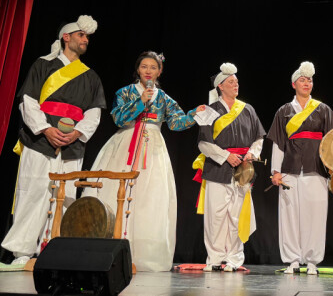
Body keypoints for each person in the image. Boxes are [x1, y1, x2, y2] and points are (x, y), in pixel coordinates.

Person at [83, 51, 199, 272]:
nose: (148, 71)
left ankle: (144, 254)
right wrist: (140, 101)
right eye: (144, 67)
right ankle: (110, 248)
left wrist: (195, 114)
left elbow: (176, 123)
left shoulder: (164, 97)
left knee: (149, 197)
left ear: (159, 71)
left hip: (153, 146)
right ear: (138, 70)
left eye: (153, 67)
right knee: (116, 192)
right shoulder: (125, 92)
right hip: (126, 142)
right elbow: (118, 118)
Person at [2, 15, 105, 265]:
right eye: (81, 35)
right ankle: (23, 251)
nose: (85, 40)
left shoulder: (90, 76)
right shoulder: (43, 65)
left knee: (66, 195)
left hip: (72, 143)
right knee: (34, 192)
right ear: (66, 37)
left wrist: (77, 133)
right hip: (40, 140)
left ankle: (54, 248)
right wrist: (46, 129)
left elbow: (94, 111)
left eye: (87, 37)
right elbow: (28, 101)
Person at [267, 61, 333, 275]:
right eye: (302, 80)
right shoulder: (284, 111)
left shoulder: (323, 109)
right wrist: (275, 171)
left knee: (315, 216)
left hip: (316, 169)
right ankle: (291, 260)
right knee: (289, 216)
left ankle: (311, 260)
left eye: (309, 80)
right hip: (289, 170)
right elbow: (278, 143)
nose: (306, 83)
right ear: (293, 84)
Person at [192, 63, 265, 272]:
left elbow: (259, 138)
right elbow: (203, 143)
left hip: (243, 169)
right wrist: (225, 156)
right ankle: (214, 258)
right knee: (215, 215)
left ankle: (233, 259)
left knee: (236, 215)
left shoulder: (248, 109)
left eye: (237, 82)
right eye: (231, 82)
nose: (236, 85)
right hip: (217, 167)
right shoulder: (208, 111)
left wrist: (252, 153)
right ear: (220, 86)